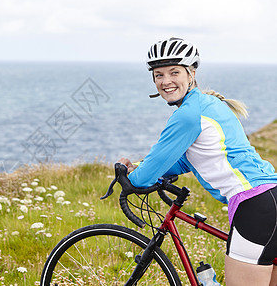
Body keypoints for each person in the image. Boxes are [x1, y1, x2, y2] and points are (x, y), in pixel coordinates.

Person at [118, 37, 277, 286]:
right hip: (269, 198)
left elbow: (143, 178)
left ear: (191, 73)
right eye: (158, 75)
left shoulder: (187, 116)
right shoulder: (211, 104)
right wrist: (145, 167)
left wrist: (130, 177)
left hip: (254, 207)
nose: (166, 81)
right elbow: (184, 160)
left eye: (174, 72)